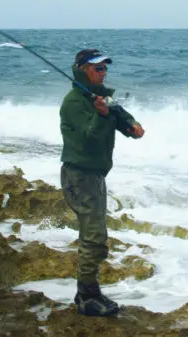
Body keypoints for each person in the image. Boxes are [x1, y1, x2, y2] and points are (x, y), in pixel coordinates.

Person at [59, 48, 145, 317]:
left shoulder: (100, 98)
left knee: (95, 235)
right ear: (83, 70)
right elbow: (89, 138)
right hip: (80, 175)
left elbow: (119, 114)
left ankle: (86, 291)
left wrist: (132, 125)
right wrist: (101, 115)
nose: (103, 72)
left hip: (95, 175)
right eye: (98, 68)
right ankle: (87, 295)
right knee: (94, 237)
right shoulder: (74, 102)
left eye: (105, 68)